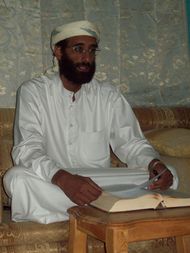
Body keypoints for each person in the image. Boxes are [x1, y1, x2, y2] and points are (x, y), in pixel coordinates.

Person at [3, 20, 176, 224]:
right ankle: (110, 207)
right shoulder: (34, 92)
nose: (87, 58)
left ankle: (82, 208)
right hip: (56, 180)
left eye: (92, 51)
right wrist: (62, 178)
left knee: (169, 174)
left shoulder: (108, 94)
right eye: (78, 49)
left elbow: (131, 143)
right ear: (58, 52)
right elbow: (27, 148)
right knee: (16, 179)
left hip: (99, 182)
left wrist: (153, 162)